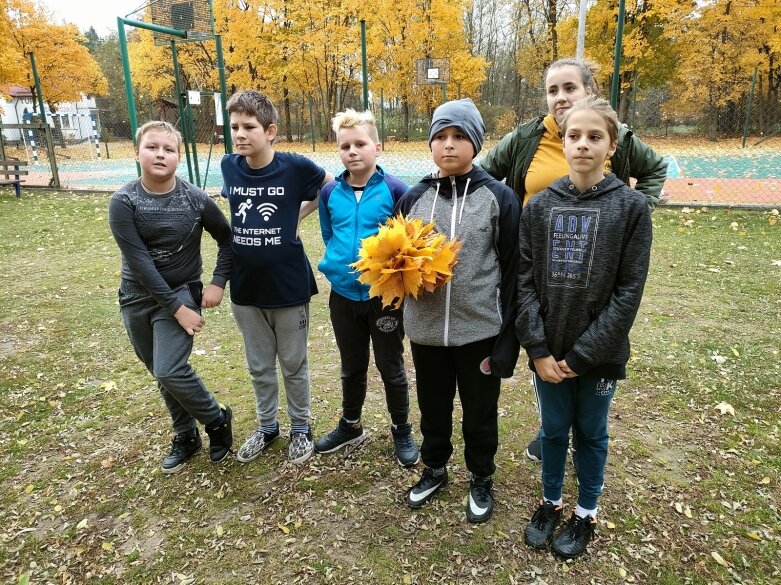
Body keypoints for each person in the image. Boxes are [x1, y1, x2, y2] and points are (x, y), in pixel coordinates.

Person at [480, 57, 667, 462]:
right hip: (538, 260)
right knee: (541, 336)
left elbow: (655, 169)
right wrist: (503, 218)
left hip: (592, 264)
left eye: (570, 88)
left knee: (586, 337)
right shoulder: (526, 136)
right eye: (553, 90)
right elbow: (485, 174)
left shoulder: (611, 134)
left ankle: (574, 432)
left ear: (589, 91)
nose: (561, 97)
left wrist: (641, 210)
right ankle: (552, 424)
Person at [517, 96, 652, 558]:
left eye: (595, 137)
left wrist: (582, 356)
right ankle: (551, 501)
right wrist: (538, 349)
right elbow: (525, 282)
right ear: (563, 139)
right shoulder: (538, 208)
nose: (582, 145)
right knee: (553, 430)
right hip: (547, 356)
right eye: (574, 135)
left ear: (611, 145)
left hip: (598, 357)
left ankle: (586, 511)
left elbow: (628, 293)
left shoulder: (632, 208)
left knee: (591, 432)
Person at [396, 99, 521, 523]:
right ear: (431, 144)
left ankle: (481, 475)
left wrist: (508, 338)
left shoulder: (498, 198)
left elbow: (513, 269)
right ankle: (434, 467)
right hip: (426, 332)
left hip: (479, 332)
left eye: (459, 137)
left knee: (480, 411)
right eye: (441, 137)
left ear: (476, 143)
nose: (449, 146)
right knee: (433, 405)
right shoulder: (413, 197)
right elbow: (396, 265)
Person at [109, 120, 233, 474]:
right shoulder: (124, 201)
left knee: (169, 369)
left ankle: (217, 420)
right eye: (152, 147)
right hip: (136, 297)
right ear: (137, 153)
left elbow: (227, 239)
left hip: (181, 290)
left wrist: (217, 282)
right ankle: (185, 435)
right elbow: (141, 265)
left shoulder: (195, 199)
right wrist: (178, 310)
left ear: (179, 155)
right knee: (159, 373)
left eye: (169, 149)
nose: (160, 154)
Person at [220, 90, 333, 465]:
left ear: (270, 131)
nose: (239, 134)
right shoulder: (229, 166)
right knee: (258, 365)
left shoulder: (295, 167)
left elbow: (329, 186)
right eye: (234, 126)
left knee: (293, 363)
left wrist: (297, 217)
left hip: (288, 287)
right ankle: (267, 427)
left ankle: (300, 428)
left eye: (249, 127)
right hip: (246, 288)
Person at [314, 109, 420, 466]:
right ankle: (350, 424)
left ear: (377, 147)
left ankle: (402, 428)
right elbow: (329, 234)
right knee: (351, 364)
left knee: (391, 365)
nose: (353, 151)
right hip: (343, 297)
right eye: (345, 146)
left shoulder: (396, 190)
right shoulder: (329, 192)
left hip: (384, 298)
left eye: (360, 144)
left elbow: (406, 240)